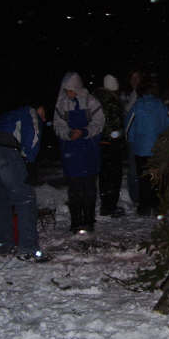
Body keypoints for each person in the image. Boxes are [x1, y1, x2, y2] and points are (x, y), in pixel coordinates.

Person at [0, 105, 51, 262]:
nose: (43, 119)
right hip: (4, 147)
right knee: (25, 197)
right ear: (40, 109)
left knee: (3, 197)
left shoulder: (9, 116)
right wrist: (29, 161)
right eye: (43, 115)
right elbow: (33, 136)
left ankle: (4, 246)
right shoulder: (30, 112)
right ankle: (28, 249)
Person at [53, 72, 105, 234]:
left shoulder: (91, 102)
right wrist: (68, 134)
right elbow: (58, 125)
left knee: (89, 188)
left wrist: (84, 132)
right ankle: (76, 222)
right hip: (71, 152)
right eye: (66, 90)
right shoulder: (62, 104)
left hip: (89, 150)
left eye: (70, 90)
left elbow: (99, 122)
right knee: (74, 189)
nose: (68, 93)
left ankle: (88, 221)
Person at [125, 73, 169, 216]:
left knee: (143, 178)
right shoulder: (161, 106)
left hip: (141, 149)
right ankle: (156, 205)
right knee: (156, 178)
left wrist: (131, 141)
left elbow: (129, 127)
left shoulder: (137, 106)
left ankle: (144, 207)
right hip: (157, 149)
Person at [94, 74, 126, 218]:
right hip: (112, 143)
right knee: (114, 175)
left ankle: (105, 204)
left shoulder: (96, 98)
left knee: (104, 175)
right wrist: (119, 136)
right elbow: (116, 123)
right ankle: (110, 206)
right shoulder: (112, 101)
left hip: (100, 142)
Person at [120, 69, 142, 205]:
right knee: (133, 168)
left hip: (144, 137)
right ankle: (135, 197)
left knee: (143, 167)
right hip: (132, 137)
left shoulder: (144, 94)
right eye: (132, 78)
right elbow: (125, 113)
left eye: (137, 77)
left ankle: (143, 195)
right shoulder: (126, 95)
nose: (135, 80)